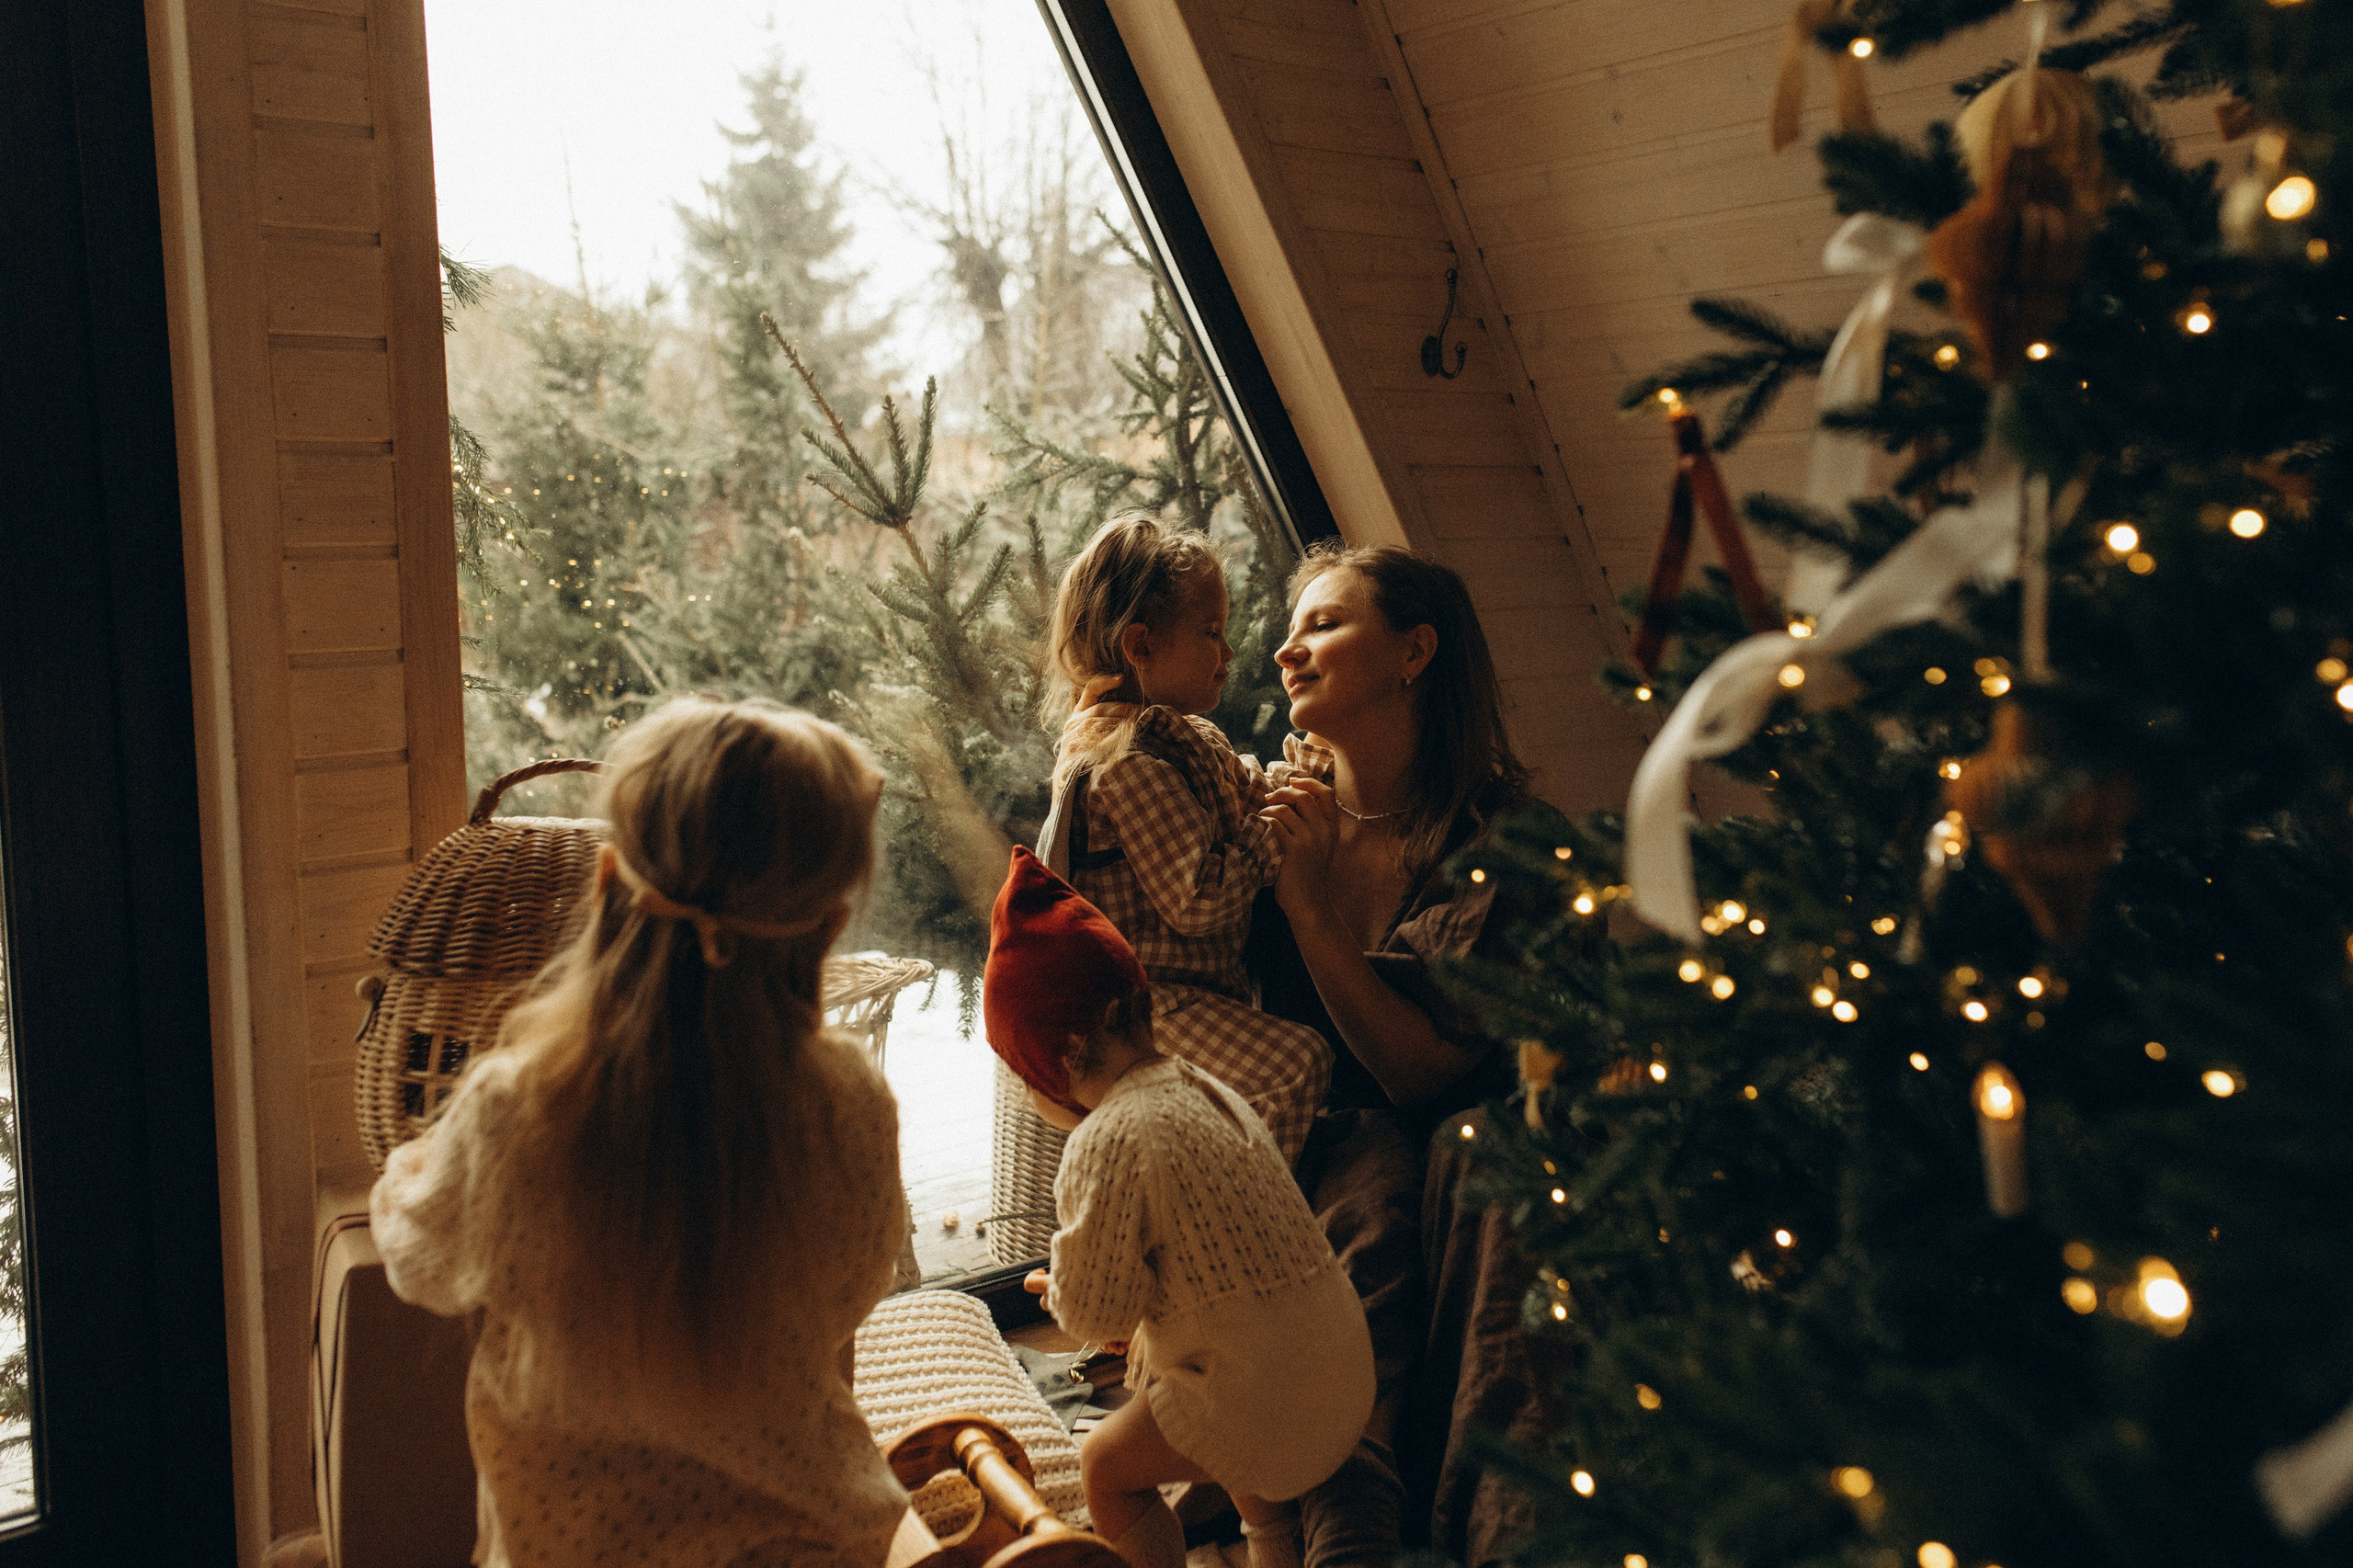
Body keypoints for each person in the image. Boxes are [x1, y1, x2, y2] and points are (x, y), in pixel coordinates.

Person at [370, 697, 909, 1568]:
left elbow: (421, 1260)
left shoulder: (516, 1109)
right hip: (814, 1542)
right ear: (828, 932)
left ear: (604, 886)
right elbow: (855, 1288)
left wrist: (409, 1173)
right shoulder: (851, 1106)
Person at [1253, 543, 1563, 1568]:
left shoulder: (1502, 836)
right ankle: (1353, 1511)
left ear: (1413, 652)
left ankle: (1500, 1532)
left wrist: (1309, 907)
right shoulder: (1271, 819)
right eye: (1290, 628)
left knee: (1482, 1167)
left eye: (1324, 624)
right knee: (1366, 1170)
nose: (1286, 650)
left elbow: (1420, 1073)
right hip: (1311, 1140)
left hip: (1463, 1122)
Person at [983, 846, 1375, 1568]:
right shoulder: (1207, 1086)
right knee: (1222, 1378)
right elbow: (1198, 1270)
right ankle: (1274, 1548)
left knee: (1106, 1469)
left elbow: (1094, 1313)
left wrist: (1062, 1292)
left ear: (1051, 1066)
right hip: (1346, 1378)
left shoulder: (1105, 1138)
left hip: (1269, 1404)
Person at [1041, 514, 1329, 1165]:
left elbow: (1247, 796)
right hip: (1147, 1012)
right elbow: (1197, 901)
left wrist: (1299, 775)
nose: (1227, 653)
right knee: (1297, 1065)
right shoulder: (1124, 761)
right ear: (1141, 646)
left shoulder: (1187, 738)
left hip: (1202, 994)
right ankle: (1242, 1227)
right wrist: (1274, 832)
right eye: (1210, 633)